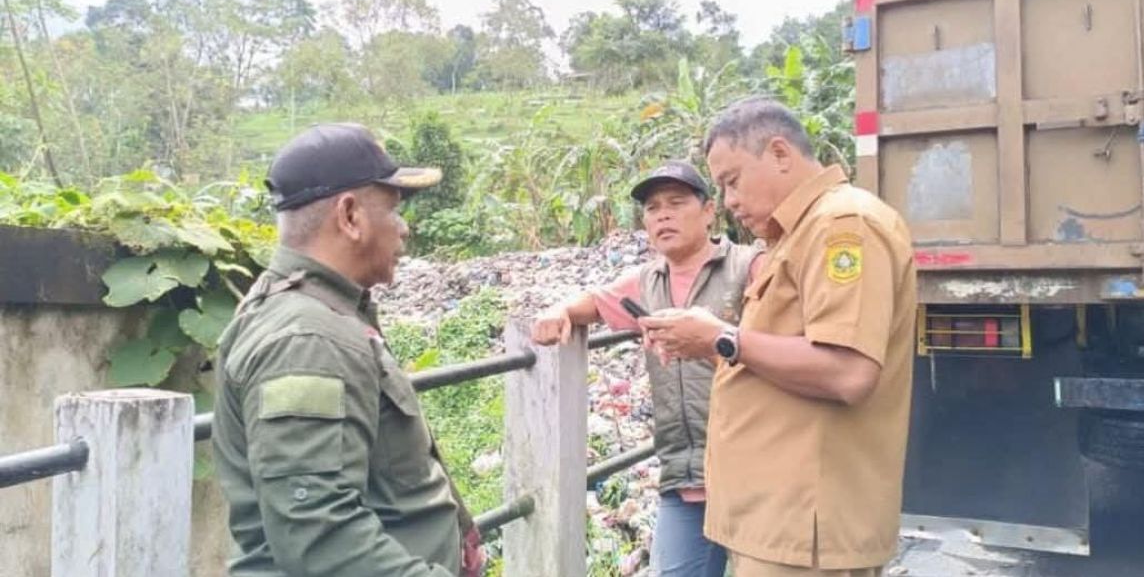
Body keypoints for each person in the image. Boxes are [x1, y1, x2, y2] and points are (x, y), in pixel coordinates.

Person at [639, 98, 916, 577]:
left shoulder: (841, 227)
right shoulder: (795, 235)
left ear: (780, 154)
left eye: (732, 180)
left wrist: (722, 340)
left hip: (805, 528)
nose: (728, 201)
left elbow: (849, 372)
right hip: (781, 522)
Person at [212, 123, 485, 577]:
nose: (404, 229)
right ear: (350, 216)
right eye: (395, 210)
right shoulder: (306, 340)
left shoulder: (317, 309)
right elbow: (320, 536)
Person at [532, 160, 762, 577]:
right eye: (653, 208)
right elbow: (594, 302)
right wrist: (559, 309)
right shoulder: (646, 281)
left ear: (710, 211)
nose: (664, 215)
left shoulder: (749, 268)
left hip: (756, 477)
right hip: (684, 478)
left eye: (676, 202)